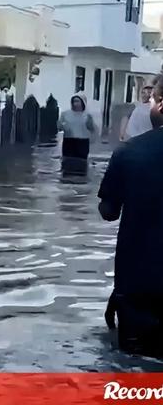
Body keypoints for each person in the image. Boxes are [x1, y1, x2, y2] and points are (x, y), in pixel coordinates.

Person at [98, 71, 163, 358]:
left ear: (159, 103)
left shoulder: (129, 153)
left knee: (133, 370)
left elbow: (108, 212)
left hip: (138, 286)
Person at [58, 92, 95, 160]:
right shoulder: (65, 114)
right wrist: (64, 127)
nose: (75, 103)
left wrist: (92, 139)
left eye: (77, 101)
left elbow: (92, 129)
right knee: (67, 161)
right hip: (69, 141)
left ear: (83, 102)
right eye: (74, 101)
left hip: (83, 142)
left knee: (81, 162)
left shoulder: (87, 115)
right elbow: (59, 127)